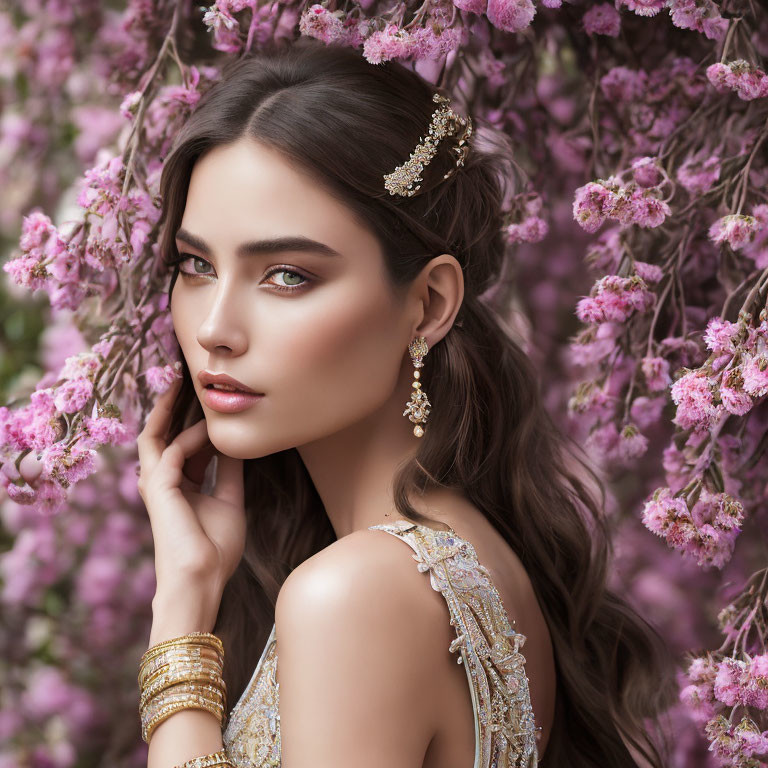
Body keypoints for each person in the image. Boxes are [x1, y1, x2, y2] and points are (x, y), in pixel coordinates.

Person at [136, 38, 677, 768]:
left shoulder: (357, 594)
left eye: (288, 275)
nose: (212, 330)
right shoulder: (472, 553)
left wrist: (179, 614)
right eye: (196, 264)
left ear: (428, 304)